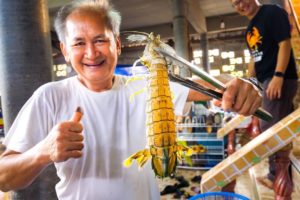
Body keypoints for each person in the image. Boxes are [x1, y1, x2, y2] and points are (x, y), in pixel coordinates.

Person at [0, 0, 262, 199]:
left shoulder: (146, 84)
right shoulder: (50, 97)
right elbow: (4, 177)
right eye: (79, 43)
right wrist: (42, 152)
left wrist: (246, 85)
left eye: (100, 39)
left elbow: (212, 86)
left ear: (118, 44)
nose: (91, 53)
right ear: (65, 52)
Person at [230, 0, 298, 190]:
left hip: (277, 79)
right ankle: (278, 175)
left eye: (241, 0)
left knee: (271, 129)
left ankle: (277, 177)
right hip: (265, 80)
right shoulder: (250, 28)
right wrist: (248, 82)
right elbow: (254, 58)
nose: (240, 5)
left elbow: (284, 44)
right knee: (270, 126)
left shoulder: (270, 12)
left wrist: (278, 75)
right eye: (235, 4)